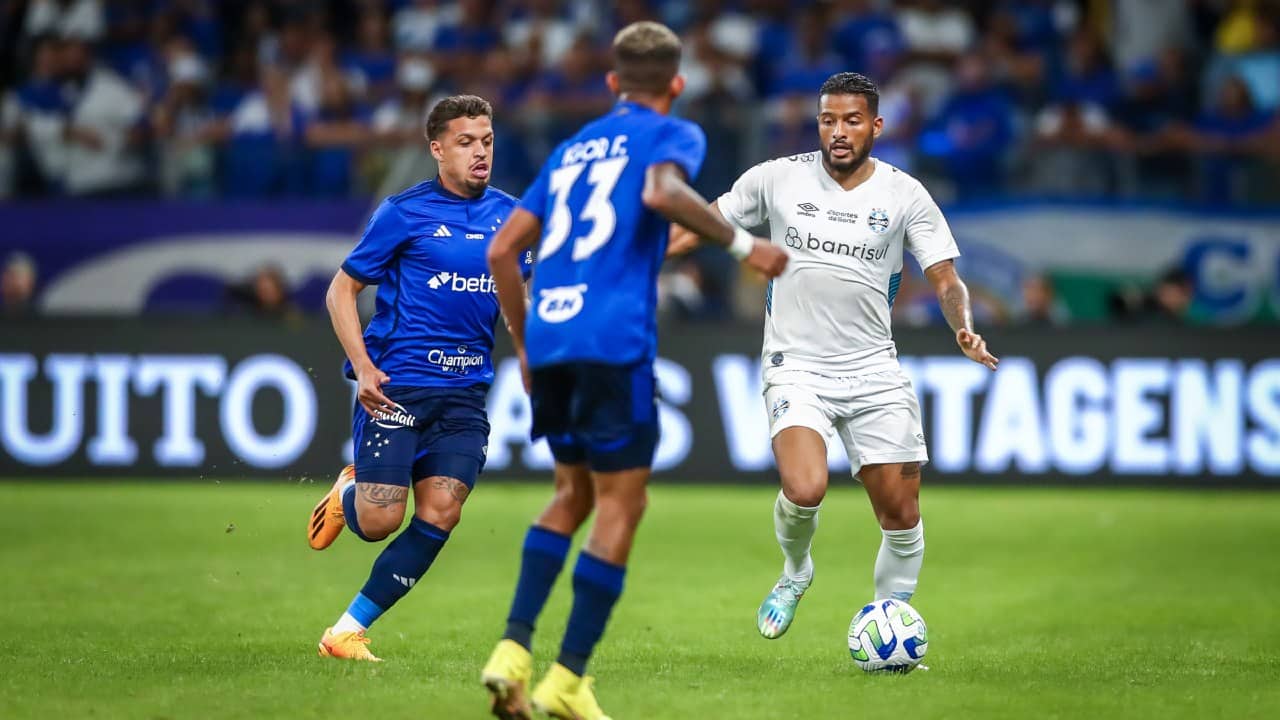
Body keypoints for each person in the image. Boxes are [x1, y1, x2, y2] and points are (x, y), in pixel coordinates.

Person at [480, 21, 787, 720]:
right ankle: (566, 680)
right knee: (624, 503)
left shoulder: (568, 148)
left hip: (553, 337)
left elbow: (503, 251)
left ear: (613, 82)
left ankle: (511, 650)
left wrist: (526, 347)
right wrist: (746, 246)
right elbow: (660, 193)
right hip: (612, 340)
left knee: (571, 494)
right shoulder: (673, 135)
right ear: (676, 85)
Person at [670, 71, 998, 642]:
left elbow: (945, 277)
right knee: (805, 488)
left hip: (873, 367)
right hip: (795, 363)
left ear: (876, 125)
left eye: (851, 120)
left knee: (900, 514)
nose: (838, 132)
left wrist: (963, 329)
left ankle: (889, 625)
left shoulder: (904, 194)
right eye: (828, 120)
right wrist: (635, 254)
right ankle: (796, 572)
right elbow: (702, 224)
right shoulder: (777, 178)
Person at [305, 95, 531, 662]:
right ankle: (348, 492)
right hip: (398, 384)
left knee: (442, 512)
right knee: (381, 519)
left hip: (466, 392)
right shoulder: (403, 212)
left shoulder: (513, 216)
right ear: (436, 150)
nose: (480, 153)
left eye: (486, 142)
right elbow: (341, 290)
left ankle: (345, 632)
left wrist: (533, 356)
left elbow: (517, 296)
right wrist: (361, 367)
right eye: (465, 143)